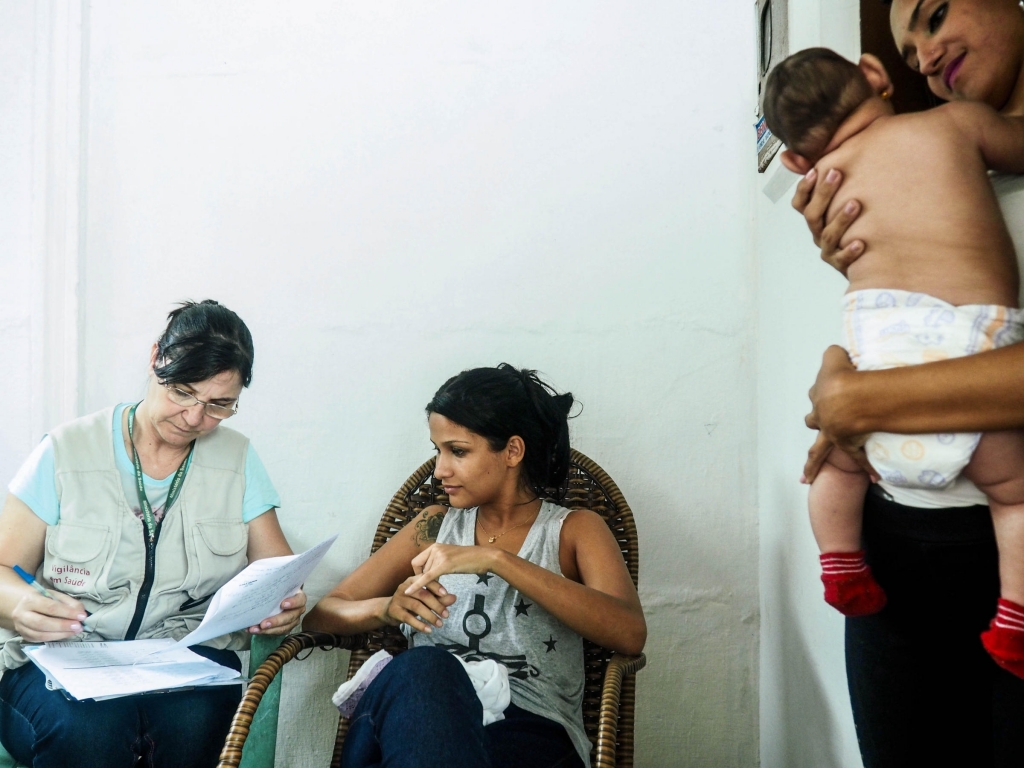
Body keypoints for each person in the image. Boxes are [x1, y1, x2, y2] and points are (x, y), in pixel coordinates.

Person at [790, 2, 1024, 765]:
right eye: (907, 45)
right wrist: (838, 367)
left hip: (966, 518)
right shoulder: (949, 140)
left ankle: (838, 554)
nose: (923, 55)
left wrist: (853, 396)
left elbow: (854, 390)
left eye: (932, 14)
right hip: (899, 547)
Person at [0, 300, 306, 768]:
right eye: (183, 392)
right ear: (155, 358)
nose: (194, 418)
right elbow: (3, 567)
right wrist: (21, 604)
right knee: (90, 731)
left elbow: (277, 570)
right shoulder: (66, 450)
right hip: (64, 657)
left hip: (181, 659)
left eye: (219, 405)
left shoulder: (238, 459)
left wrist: (286, 602)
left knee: (195, 724)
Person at [303, 364, 646, 768]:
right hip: (413, 719)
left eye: (458, 451)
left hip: (527, 734)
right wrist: (386, 609)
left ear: (513, 451)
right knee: (426, 668)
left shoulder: (573, 530)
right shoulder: (433, 525)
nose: (440, 470)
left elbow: (629, 634)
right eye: (438, 450)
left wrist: (496, 560)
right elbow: (322, 617)